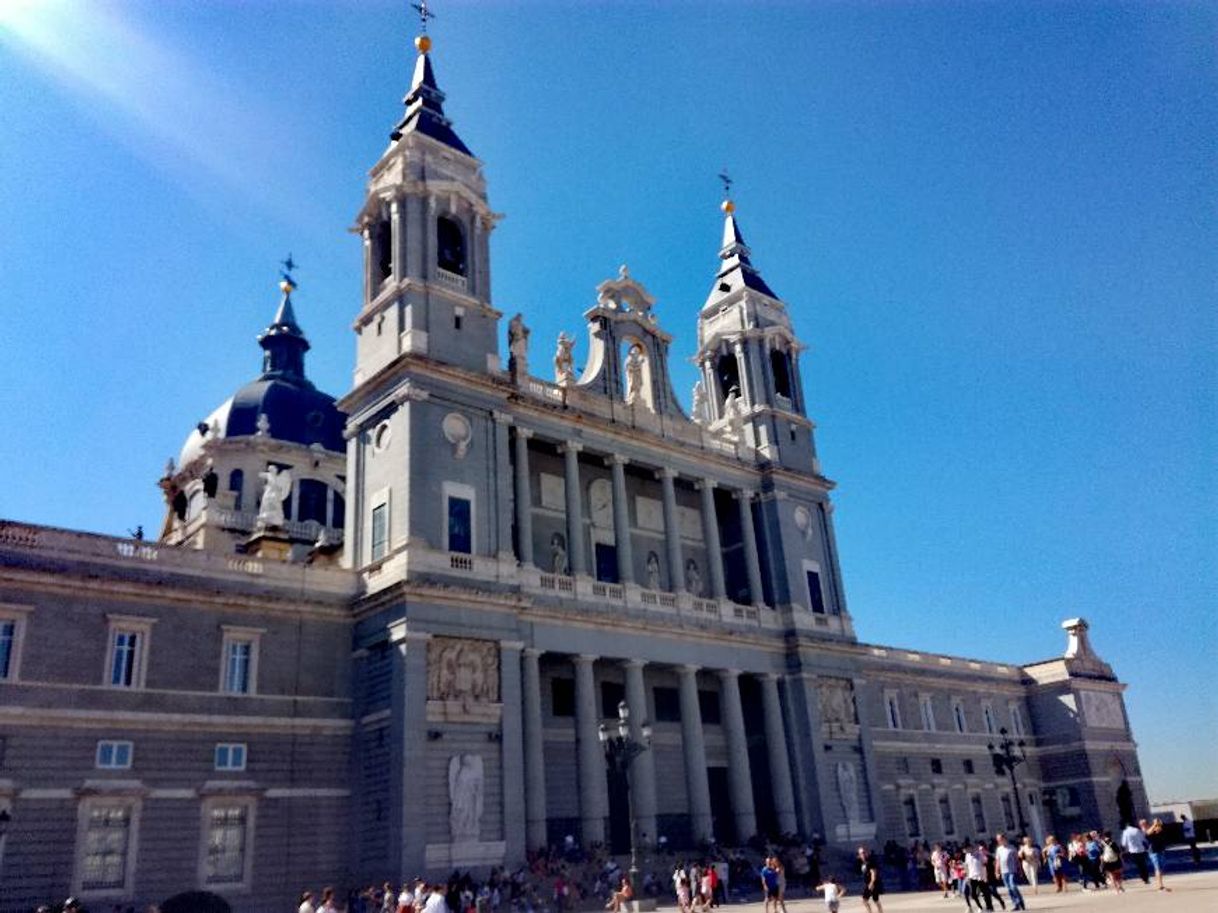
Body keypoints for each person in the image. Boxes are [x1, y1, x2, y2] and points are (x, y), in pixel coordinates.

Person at [994, 835, 1026, 911]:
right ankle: (1016, 904)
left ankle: (1020, 901)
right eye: (998, 840)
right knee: (1009, 889)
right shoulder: (999, 849)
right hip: (1004, 871)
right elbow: (998, 861)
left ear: (1005, 839)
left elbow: (1017, 860)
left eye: (1001, 839)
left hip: (1012, 870)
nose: (1000, 841)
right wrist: (997, 872)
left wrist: (1020, 869)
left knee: (1013, 886)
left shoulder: (1012, 848)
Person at [1145, 818, 1172, 892]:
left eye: (1159, 825)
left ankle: (1160, 884)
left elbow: (1164, 829)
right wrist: (1154, 824)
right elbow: (1147, 833)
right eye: (1156, 825)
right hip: (1153, 852)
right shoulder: (1151, 833)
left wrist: (1159, 823)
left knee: (1161, 868)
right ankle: (1160, 886)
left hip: (1161, 851)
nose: (1158, 826)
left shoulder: (1162, 832)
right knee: (1158, 868)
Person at [1121, 820, 1151, 885]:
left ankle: (1143, 877)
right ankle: (1146, 878)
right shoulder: (1137, 830)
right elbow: (1143, 839)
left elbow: (1124, 843)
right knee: (1143, 864)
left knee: (1138, 865)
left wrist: (1123, 851)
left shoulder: (1125, 832)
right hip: (1141, 849)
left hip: (1133, 851)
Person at [856, 846, 884, 913]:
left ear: (866, 853)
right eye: (860, 853)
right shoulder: (862, 862)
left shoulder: (870, 861)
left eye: (863, 853)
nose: (862, 855)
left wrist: (872, 883)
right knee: (873, 900)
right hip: (868, 883)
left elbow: (873, 872)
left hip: (872, 883)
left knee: (870, 899)